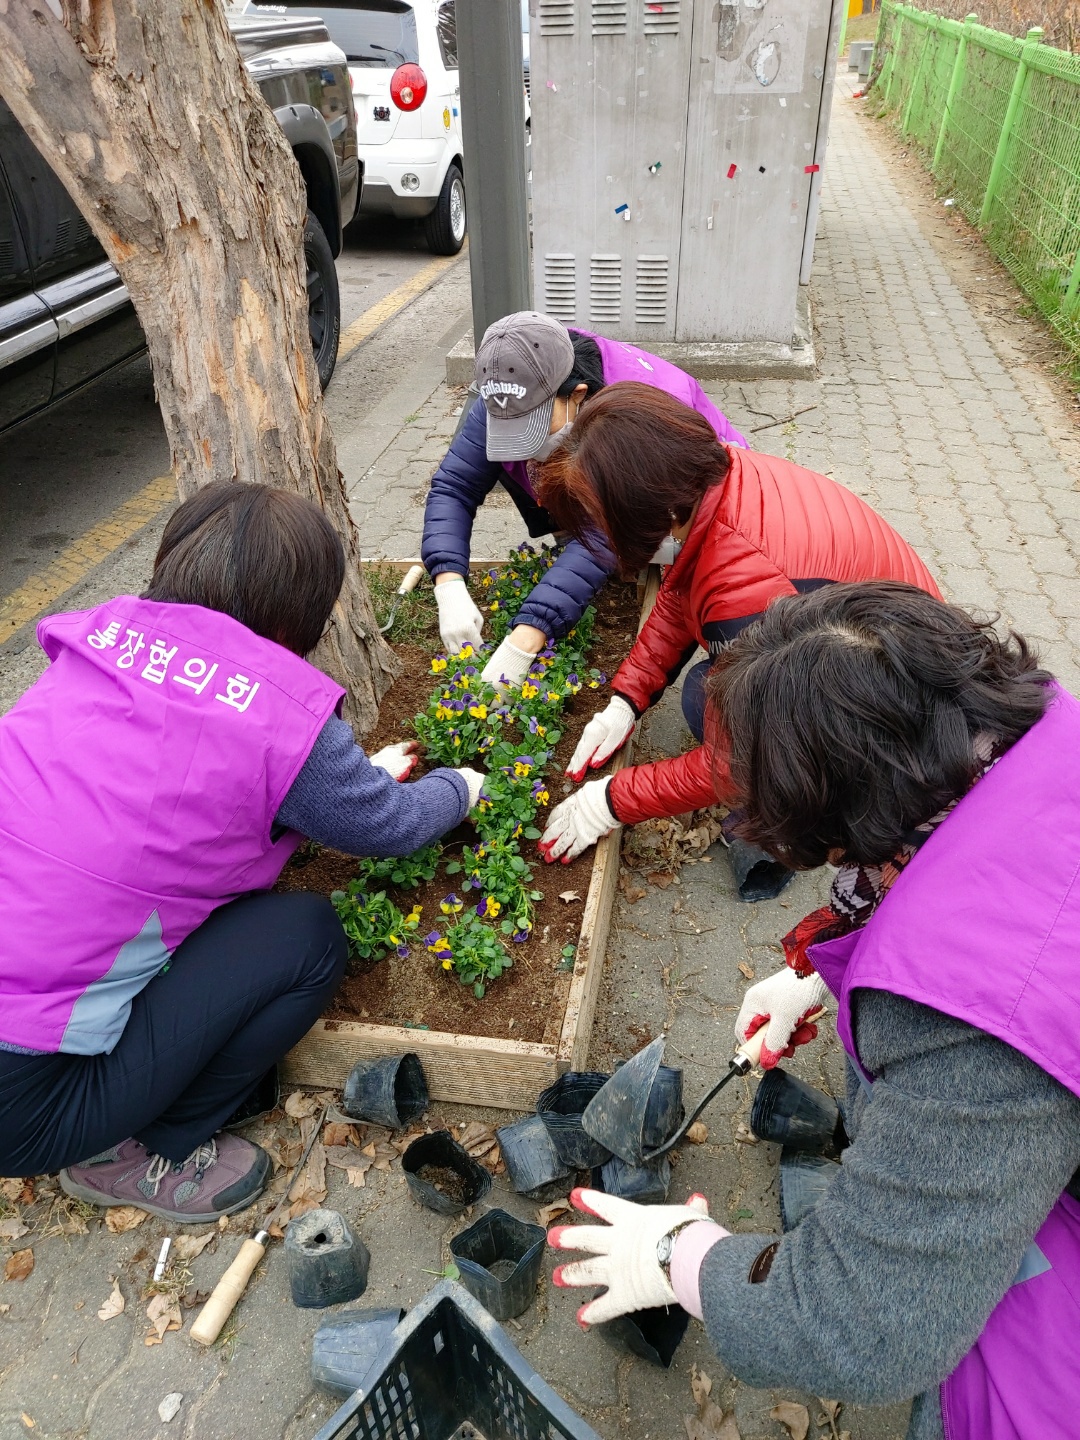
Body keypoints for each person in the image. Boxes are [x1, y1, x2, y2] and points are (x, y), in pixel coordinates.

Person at [549, 583, 1080, 1440]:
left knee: (969, 1382)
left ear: (844, 821)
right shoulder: (1036, 744)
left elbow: (861, 1330)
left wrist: (679, 1259)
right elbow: (998, 897)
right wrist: (828, 976)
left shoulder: (978, 1033)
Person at [0, 483, 484, 1222]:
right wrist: (462, 788)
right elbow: (387, 826)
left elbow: (157, 792)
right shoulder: (281, 716)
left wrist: (338, 783)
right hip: (24, 1105)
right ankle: (138, 1151)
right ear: (305, 612)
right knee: (306, 937)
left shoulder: (98, 640)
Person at [535, 383, 940, 902]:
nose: (606, 540)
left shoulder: (752, 591)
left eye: (608, 524)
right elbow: (684, 590)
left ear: (661, 513)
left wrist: (611, 801)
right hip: (887, 642)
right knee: (710, 689)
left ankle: (803, 824)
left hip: (903, 714)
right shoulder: (717, 477)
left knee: (716, 708)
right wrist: (626, 698)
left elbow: (733, 761)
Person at [420, 311, 746, 690]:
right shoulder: (511, 385)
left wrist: (528, 636)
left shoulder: (637, 412)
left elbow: (605, 529)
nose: (527, 452)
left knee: (682, 570)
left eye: (534, 426)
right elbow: (455, 485)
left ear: (578, 396)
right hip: (611, 473)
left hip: (706, 501)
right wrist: (448, 582)